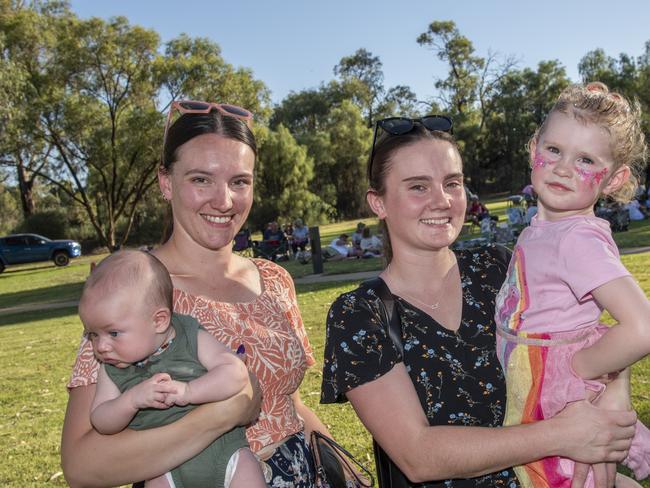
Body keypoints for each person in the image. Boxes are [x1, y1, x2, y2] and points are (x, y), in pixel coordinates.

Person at [320, 114, 637, 488]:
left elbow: (588, 331)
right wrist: (562, 435)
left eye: (452, 183)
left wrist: (617, 395)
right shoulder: (359, 314)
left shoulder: (500, 268)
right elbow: (419, 455)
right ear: (379, 203)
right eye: (418, 187)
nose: (442, 201)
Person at [62, 100, 330, 487]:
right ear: (165, 182)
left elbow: (287, 400)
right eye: (201, 179)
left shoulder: (273, 279)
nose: (224, 201)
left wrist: (341, 468)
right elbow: (83, 466)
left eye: (240, 181)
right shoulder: (136, 292)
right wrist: (222, 414)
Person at [495, 82, 650, 487]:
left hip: (558, 396)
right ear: (534, 149)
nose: (564, 167)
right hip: (539, 394)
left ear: (614, 180)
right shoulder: (549, 228)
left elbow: (643, 327)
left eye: (585, 159)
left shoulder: (576, 237)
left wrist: (579, 369)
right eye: (554, 150)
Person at [80, 250, 265, 488]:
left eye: (113, 333)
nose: (101, 346)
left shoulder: (190, 338)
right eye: (93, 335)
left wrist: (189, 391)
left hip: (226, 454)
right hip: (162, 467)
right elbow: (101, 420)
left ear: (159, 321)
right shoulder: (112, 370)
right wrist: (130, 401)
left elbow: (235, 373)